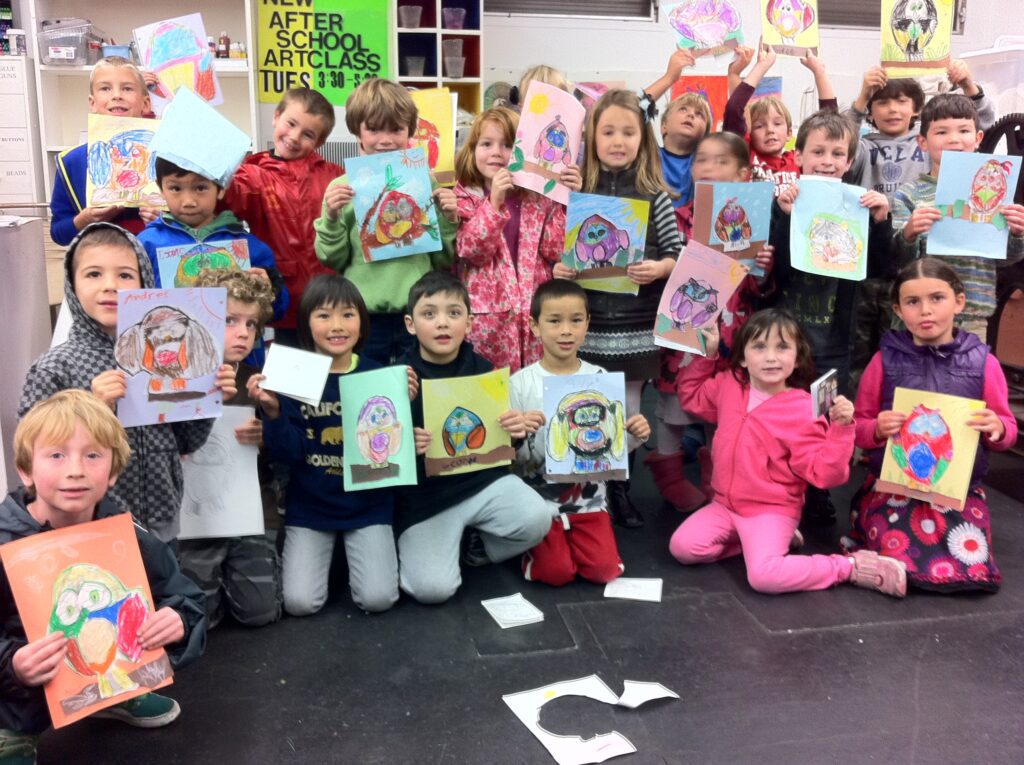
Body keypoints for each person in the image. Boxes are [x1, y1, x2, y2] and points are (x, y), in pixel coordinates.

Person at [0, 390, 206, 761]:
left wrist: (179, 620)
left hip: (106, 659)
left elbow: (183, 593)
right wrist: (12, 665)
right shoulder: (4, 540)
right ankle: (12, 729)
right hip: (15, 685)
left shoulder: (122, 532)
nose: (75, 469)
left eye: (92, 455)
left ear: (112, 472)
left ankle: (117, 692)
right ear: (26, 469)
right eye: (57, 454)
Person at [18, 223, 234, 543]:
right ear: (71, 283)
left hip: (161, 521)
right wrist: (93, 408)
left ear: (144, 281)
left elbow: (187, 442)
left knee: (160, 592)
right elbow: (32, 456)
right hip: (84, 526)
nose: (111, 286)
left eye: (125, 275)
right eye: (93, 274)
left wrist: (207, 397)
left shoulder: (170, 354)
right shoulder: (53, 368)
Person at [670, 309, 907, 598]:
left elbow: (825, 475)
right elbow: (691, 397)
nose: (771, 357)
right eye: (759, 346)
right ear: (743, 357)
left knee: (763, 578)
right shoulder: (729, 384)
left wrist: (841, 429)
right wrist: (706, 357)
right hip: (724, 505)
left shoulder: (803, 409)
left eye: (782, 347)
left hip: (770, 510)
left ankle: (849, 567)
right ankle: (763, 544)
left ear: (796, 359)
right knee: (683, 548)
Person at [846, 259, 1018, 592]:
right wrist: (876, 429)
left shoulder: (984, 362)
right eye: (913, 302)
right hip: (895, 487)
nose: (925, 311)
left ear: (960, 301)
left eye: (937, 298)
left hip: (956, 490)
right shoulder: (884, 360)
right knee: (894, 546)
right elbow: (858, 425)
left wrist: (997, 427)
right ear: (898, 309)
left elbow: (1006, 428)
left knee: (968, 557)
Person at [553, 89, 681, 528]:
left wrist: (658, 267)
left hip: (636, 324)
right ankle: (591, 490)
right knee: (587, 404)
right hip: (588, 323)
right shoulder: (577, 189)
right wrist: (562, 268)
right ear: (592, 137)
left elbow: (677, 254)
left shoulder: (654, 194)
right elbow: (556, 250)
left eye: (629, 132)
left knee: (625, 410)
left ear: (643, 140)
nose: (618, 141)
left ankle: (620, 488)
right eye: (608, 132)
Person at [765, 109, 899, 525]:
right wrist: (783, 219)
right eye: (817, 151)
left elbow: (882, 268)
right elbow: (774, 272)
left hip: (832, 342)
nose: (827, 160)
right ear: (799, 155)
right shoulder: (784, 202)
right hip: (784, 340)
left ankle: (817, 490)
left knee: (821, 417)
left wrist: (880, 222)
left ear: (848, 161)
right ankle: (776, 486)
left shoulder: (858, 203)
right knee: (779, 413)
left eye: (837, 153)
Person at [394, 272, 550, 604]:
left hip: (482, 484)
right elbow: (380, 456)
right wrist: (405, 443)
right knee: (432, 591)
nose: (442, 323)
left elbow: (501, 448)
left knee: (537, 518)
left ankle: (479, 544)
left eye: (453, 313)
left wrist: (515, 433)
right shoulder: (396, 378)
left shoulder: (485, 371)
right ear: (410, 324)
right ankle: (433, 544)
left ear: (469, 323)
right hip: (426, 499)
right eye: (429, 313)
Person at [247, 275, 399, 617]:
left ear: (362, 323)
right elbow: (289, 455)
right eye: (324, 315)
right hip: (311, 506)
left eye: (348, 314)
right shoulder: (293, 374)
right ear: (306, 323)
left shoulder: (380, 376)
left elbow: (394, 448)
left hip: (368, 506)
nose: (337, 326)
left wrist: (407, 401)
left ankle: (353, 555)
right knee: (300, 603)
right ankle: (332, 556)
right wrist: (273, 413)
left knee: (378, 599)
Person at [844, 62, 995, 385]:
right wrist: (861, 98)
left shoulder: (986, 184)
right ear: (924, 142)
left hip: (972, 305)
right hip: (891, 267)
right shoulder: (868, 147)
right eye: (883, 101)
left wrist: (969, 83)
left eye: (901, 101)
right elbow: (841, 137)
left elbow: (975, 119)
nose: (952, 139)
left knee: (967, 387)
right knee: (900, 371)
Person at [652, 132, 775, 513]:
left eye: (719, 162)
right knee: (674, 408)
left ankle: (716, 479)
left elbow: (758, 289)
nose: (707, 168)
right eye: (701, 160)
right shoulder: (677, 218)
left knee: (721, 409)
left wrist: (764, 270)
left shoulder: (757, 222)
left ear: (742, 175)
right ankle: (669, 477)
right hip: (685, 331)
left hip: (732, 335)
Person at [510, 280, 651, 585]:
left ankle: (578, 540)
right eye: (554, 321)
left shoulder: (599, 378)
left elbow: (612, 450)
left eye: (576, 320)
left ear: (588, 323)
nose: (566, 330)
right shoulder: (520, 382)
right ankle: (536, 549)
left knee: (604, 571)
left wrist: (636, 434)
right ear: (535, 326)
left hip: (590, 501)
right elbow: (513, 459)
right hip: (540, 503)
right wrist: (519, 436)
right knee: (555, 573)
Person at [314, 78, 457, 365]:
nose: (386, 139)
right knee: (370, 392)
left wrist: (449, 219)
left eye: (396, 129)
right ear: (357, 130)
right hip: (365, 315)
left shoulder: (424, 182)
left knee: (417, 392)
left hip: (419, 312)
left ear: (410, 132)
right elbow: (332, 258)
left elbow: (444, 259)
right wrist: (331, 217)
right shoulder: (342, 188)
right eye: (374, 128)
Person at [177, 270, 283, 629]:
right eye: (229, 320)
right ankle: (213, 585)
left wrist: (267, 426)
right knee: (198, 622)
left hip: (249, 514)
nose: (243, 332)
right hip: (195, 520)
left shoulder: (259, 379)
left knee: (261, 612)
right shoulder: (175, 378)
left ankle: (233, 578)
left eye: (252, 324)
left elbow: (287, 454)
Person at [453, 106, 577, 373]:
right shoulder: (465, 196)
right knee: (491, 397)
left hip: (534, 315)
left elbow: (554, 248)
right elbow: (471, 251)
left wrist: (565, 198)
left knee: (533, 394)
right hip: (489, 322)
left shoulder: (536, 198)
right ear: (472, 150)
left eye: (508, 145)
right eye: (486, 144)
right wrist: (494, 202)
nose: (496, 152)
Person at [891, 93, 1024, 340]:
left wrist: (1017, 234)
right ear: (922, 142)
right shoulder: (908, 195)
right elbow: (899, 258)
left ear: (978, 138)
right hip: (919, 314)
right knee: (912, 378)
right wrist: (909, 232)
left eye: (964, 131)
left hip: (972, 314)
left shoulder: (996, 190)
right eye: (941, 132)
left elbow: (1006, 259)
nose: (954, 139)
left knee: (967, 377)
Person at [221, 87, 343, 338]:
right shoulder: (252, 174)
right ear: (276, 117)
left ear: (319, 142)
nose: (295, 137)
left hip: (330, 300)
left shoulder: (334, 175)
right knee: (287, 373)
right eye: (291, 123)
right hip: (281, 301)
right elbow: (227, 198)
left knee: (334, 371)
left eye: (308, 134)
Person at [138, 157, 289, 326]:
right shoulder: (146, 244)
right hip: (174, 347)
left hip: (237, 350)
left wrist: (270, 291)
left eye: (200, 188)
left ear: (221, 188)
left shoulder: (249, 247)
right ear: (161, 188)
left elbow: (278, 311)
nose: (189, 201)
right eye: (175, 188)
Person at [50, 57, 156, 246]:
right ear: (92, 103)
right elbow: (59, 233)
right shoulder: (71, 162)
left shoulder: (166, 157)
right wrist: (84, 219)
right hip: (97, 263)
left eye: (127, 88)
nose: (117, 95)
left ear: (145, 104)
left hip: (154, 266)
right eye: (105, 88)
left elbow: (197, 218)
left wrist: (165, 221)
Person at [723, 45, 837, 195]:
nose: (770, 130)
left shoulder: (798, 160)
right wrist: (760, 67)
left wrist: (820, 72)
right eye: (759, 126)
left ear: (789, 132)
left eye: (777, 123)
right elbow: (735, 109)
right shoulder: (747, 156)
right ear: (750, 132)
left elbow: (831, 125)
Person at [641, 50, 704, 208]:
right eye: (683, 109)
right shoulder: (651, 155)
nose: (691, 114)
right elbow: (634, 110)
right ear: (664, 126)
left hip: (692, 230)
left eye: (699, 114)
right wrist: (669, 77)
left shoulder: (702, 162)